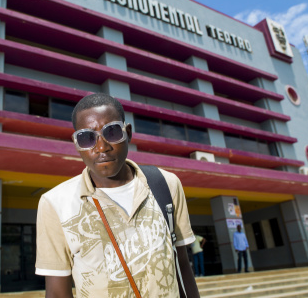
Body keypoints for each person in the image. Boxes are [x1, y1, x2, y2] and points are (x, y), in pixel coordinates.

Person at [35, 93, 200, 298]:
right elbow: (57, 292)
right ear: (77, 143)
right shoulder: (55, 203)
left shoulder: (166, 184)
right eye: (87, 137)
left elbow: (182, 265)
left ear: (128, 133)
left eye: (112, 132)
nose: (102, 147)